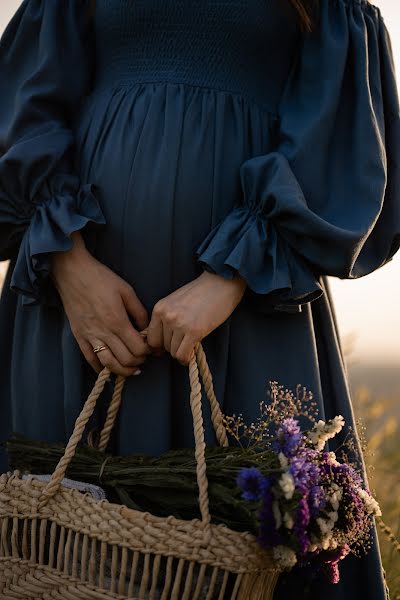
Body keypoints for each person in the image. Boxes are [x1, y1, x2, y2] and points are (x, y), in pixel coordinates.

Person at [0, 0, 399, 598]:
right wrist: (68, 263)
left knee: (262, 543)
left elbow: (338, 137)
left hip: (258, 302)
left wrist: (231, 276)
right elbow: (26, 102)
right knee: (51, 544)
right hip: (74, 310)